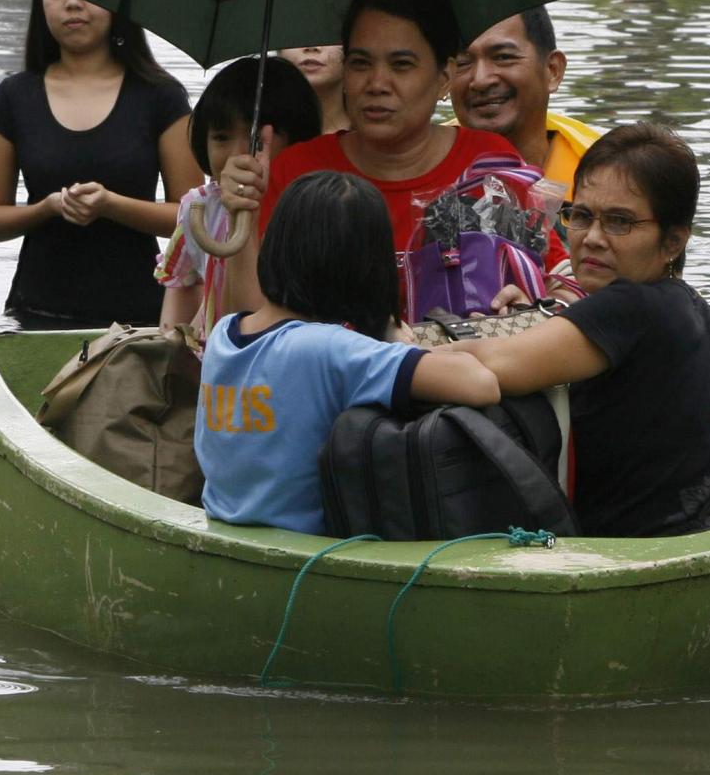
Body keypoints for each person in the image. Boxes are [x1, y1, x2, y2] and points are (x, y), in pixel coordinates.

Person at [466, 123, 710, 537]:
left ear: (672, 242)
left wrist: (395, 348)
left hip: (629, 555)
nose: (592, 238)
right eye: (581, 216)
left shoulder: (628, 307)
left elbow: (493, 364)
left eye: (619, 222)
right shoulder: (699, 312)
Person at [195, 170, 499, 534]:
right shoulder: (328, 348)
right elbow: (481, 384)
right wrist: (399, 341)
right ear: (363, 269)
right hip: (304, 552)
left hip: (225, 527)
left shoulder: (224, 334)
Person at [236, 0, 568, 275]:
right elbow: (250, 321)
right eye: (361, 63)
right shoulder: (297, 171)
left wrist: (524, 291)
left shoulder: (487, 167)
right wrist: (242, 216)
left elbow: (560, 281)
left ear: (444, 78)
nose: (377, 83)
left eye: (401, 65)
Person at [0, 0, 199, 328]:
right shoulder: (14, 96)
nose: (72, 3)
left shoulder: (160, 96)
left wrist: (111, 205)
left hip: (140, 316)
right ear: (40, 2)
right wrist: (47, 208)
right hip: (37, 311)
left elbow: (192, 219)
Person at [157, 56, 322, 331]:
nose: (237, 155)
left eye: (256, 140)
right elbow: (181, 283)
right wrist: (169, 355)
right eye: (221, 137)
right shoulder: (199, 207)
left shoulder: (311, 212)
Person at [451, 8, 599, 193]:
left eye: (503, 57)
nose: (481, 80)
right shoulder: (413, 167)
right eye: (462, 63)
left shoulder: (609, 174)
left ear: (552, 70)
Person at [280, 45, 347, 133]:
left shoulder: (366, 134)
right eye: (298, 34)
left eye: (325, 36)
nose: (311, 47)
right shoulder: (262, 132)